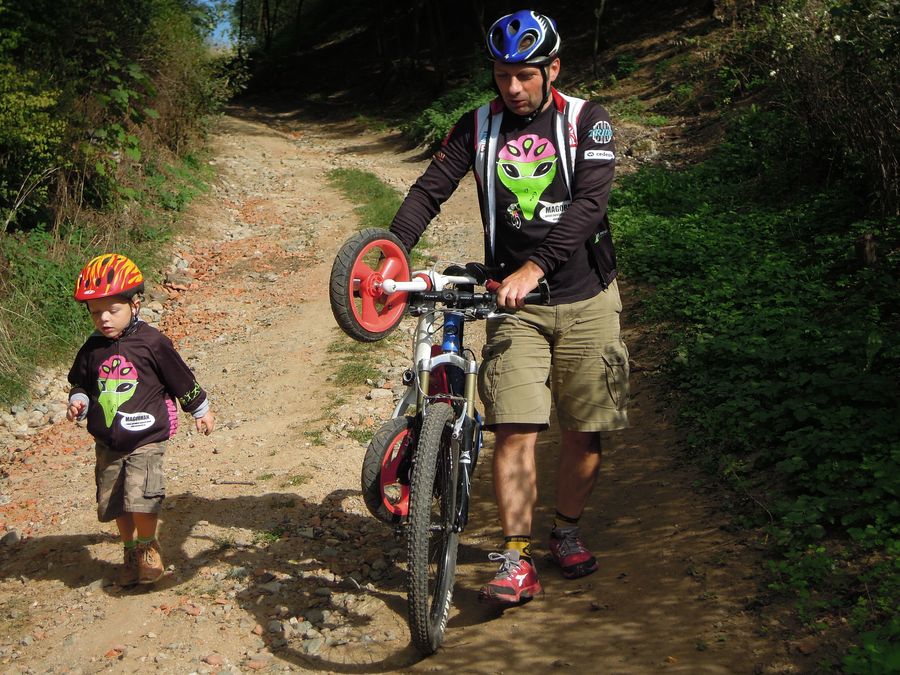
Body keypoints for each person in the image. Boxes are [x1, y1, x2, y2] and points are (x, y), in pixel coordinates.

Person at [389, 9, 629, 605]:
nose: (513, 88)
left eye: (524, 75)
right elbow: (429, 190)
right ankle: (517, 559)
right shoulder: (478, 126)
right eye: (502, 75)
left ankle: (565, 530)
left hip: (587, 296)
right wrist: (388, 253)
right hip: (513, 306)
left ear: (553, 69)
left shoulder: (587, 121)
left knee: (584, 432)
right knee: (514, 428)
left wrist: (534, 266)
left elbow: (590, 205)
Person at [67, 253, 214, 586]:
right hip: (108, 442)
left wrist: (200, 409)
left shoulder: (152, 343)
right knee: (116, 501)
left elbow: (181, 379)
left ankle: (148, 547)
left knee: (142, 497)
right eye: (95, 312)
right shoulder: (92, 349)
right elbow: (81, 383)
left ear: (134, 305)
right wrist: (78, 400)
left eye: (112, 310)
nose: (104, 319)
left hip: (147, 437)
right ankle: (130, 550)